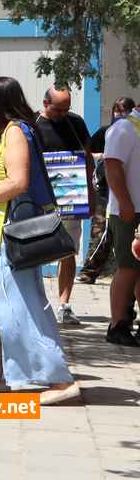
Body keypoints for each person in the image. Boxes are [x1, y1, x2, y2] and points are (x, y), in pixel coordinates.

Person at [0, 77, 80, 404]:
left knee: (22, 307)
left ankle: (59, 379)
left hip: (10, 235)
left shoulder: (15, 132)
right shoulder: (3, 135)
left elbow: (19, 181)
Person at [33, 86, 93, 326]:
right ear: (45, 103)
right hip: (41, 197)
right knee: (35, 249)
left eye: (66, 109)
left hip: (71, 194)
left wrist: (90, 193)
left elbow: (87, 157)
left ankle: (64, 304)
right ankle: (35, 303)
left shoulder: (75, 122)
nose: (62, 114)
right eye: (58, 109)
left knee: (68, 250)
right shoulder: (33, 123)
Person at [79, 97, 137, 284]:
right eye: (118, 110)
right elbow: (88, 151)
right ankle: (89, 270)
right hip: (105, 189)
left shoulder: (132, 130)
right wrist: (104, 155)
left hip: (123, 194)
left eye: (125, 110)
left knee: (109, 236)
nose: (121, 114)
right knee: (101, 232)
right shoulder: (109, 131)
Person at [103, 98, 140, 345]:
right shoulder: (124, 127)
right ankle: (118, 325)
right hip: (128, 211)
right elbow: (112, 166)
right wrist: (125, 202)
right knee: (128, 268)